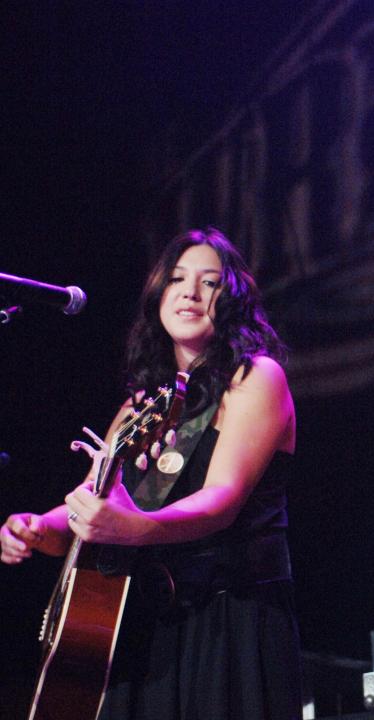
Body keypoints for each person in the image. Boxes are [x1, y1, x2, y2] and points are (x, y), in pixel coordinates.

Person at [1, 228, 301, 719]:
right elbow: (90, 506)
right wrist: (37, 529)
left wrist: (137, 528)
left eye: (210, 282)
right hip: (140, 629)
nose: (190, 292)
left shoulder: (255, 376)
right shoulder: (140, 404)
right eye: (178, 279)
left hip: (224, 615)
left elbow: (222, 499)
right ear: (158, 296)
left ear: (235, 299)